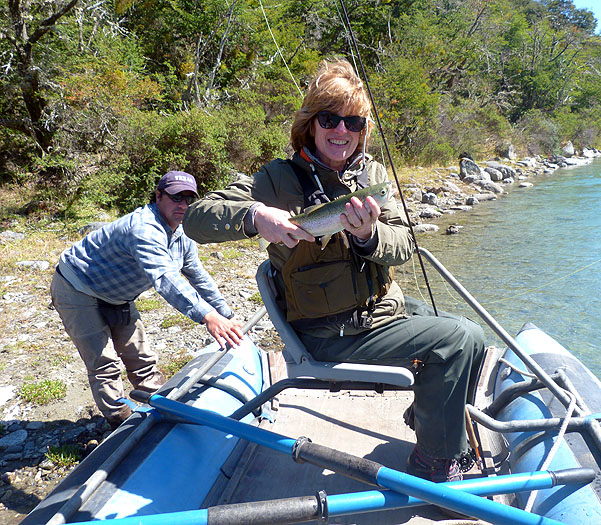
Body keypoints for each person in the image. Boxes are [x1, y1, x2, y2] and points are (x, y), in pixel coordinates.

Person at [183, 60, 485, 483]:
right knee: (459, 339)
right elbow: (196, 219)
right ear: (311, 123)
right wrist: (257, 216)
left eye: (353, 121)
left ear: (362, 129)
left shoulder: (373, 177)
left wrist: (369, 236)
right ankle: (434, 464)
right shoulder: (277, 179)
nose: (341, 130)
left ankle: (430, 419)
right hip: (330, 333)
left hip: (378, 312)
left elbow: (403, 247)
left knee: (472, 334)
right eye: (330, 118)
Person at [51, 171, 244, 430]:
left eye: (189, 199)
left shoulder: (182, 233)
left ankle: (161, 407)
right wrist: (207, 316)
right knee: (104, 363)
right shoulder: (144, 228)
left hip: (118, 293)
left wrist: (226, 314)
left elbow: (197, 274)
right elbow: (166, 279)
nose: (183, 205)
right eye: (176, 197)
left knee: (141, 356)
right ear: (158, 196)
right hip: (78, 287)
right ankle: (119, 421)